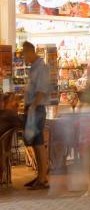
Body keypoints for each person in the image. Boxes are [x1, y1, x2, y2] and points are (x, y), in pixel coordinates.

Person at [22, 41, 51, 190]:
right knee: (34, 143)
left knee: (39, 144)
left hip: (37, 109)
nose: (24, 58)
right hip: (33, 108)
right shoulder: (33, 68)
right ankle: (40, 176)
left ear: (30, 52)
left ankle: (43, 178)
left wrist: (33, 107)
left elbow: (42, 89)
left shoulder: (41, 67)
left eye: (24, 54)